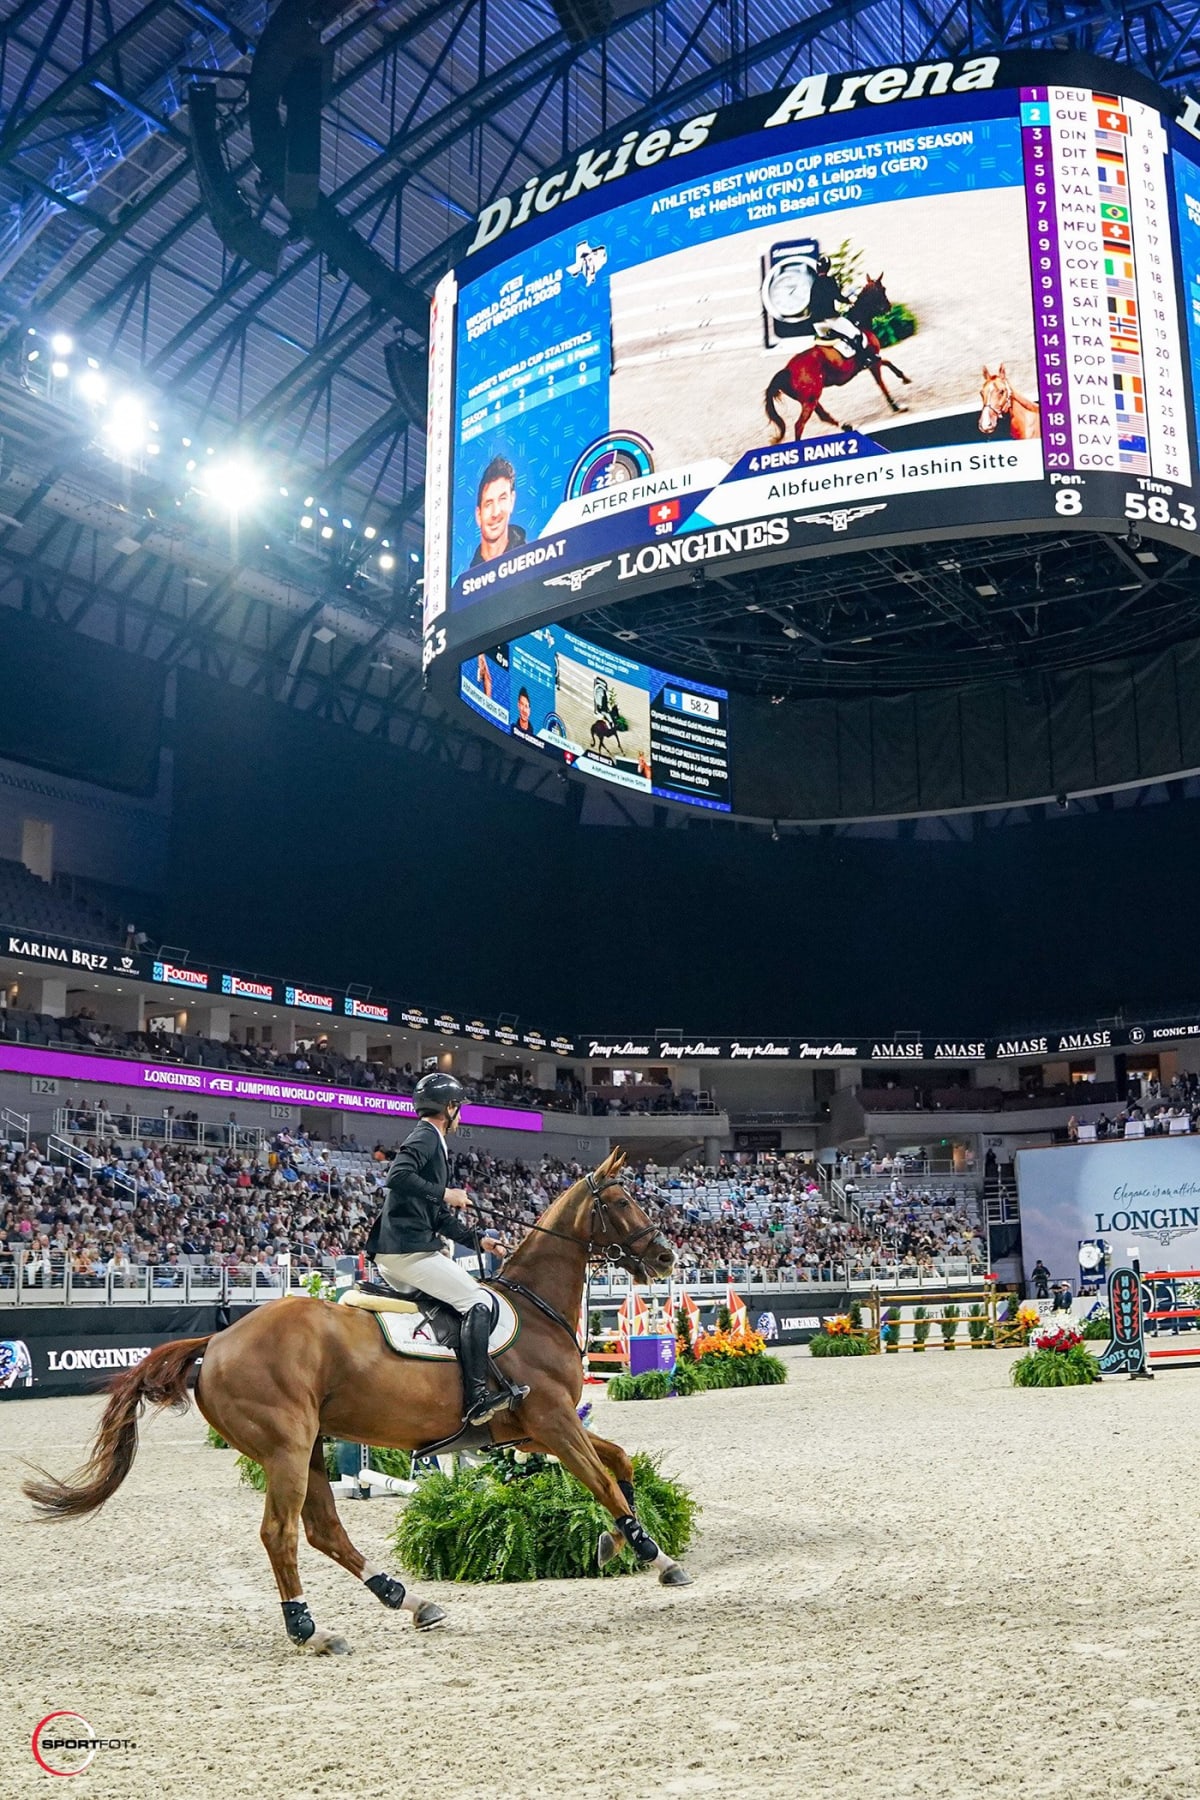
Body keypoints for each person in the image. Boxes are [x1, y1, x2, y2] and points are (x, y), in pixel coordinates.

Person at [364, 1072, 528, 1426]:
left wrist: (478, 1240)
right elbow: (397, 1176)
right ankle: (477, 1399)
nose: (462, 1115)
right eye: (459, 1108)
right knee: (478, 1301)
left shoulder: (434, 1141)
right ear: (449, 1108)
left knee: (460, 1302)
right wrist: (446, 1193)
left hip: (405, 1246)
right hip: (406, 1251)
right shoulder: (426, 1135)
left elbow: (436, 1216)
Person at [469, 456, 525, 567]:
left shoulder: (531, 561)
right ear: (478, 515)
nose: (496, 513)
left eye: (502, 499)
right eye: (488, 504)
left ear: (512, 501)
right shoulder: (466, 580)